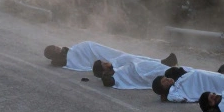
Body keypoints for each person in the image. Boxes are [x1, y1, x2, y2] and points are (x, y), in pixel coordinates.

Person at [43, 42, 177, 88]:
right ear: (53, 55)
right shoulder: (61, 59)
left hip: (94, 49)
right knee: (129, 60)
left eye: (56, 46)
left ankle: (160, 62)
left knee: (128, 57)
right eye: (54, 50)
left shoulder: (66, 52)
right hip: (92, 55)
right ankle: (162, 64)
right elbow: (70, 58)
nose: (58, 48)